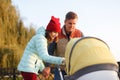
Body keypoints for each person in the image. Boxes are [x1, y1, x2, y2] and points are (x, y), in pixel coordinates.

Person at [17, 16, 65, 80]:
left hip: (28, 69)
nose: (55, 35)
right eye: (54, 32)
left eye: (57, 33)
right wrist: (62, 60)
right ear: (48, 31)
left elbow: (38, 57)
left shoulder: (42, 38)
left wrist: (42, 69)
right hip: (29, 68)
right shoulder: (40, 39)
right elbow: (44, 56)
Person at [48, 11, 84, 80]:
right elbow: (50, 51)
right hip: (60, 68)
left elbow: (84, 50)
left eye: (74, 23)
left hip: (74, 69)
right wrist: (48, 66)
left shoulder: (79, 34)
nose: (72, 26)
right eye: (70, 23)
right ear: (65, 22)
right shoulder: (57, 34)